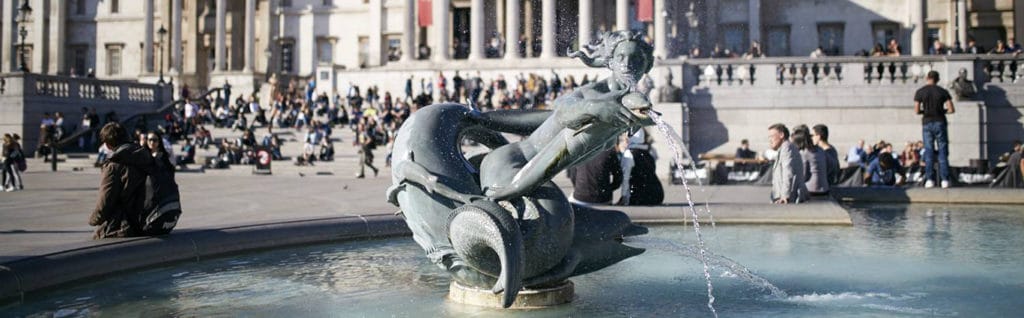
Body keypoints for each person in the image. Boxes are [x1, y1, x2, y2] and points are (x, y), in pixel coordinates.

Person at [89, 122, 153, 239]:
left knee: (95, 241)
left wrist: (94, 220)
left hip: (125, 225)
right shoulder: (146, 156)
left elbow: (104, 202)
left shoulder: (114, 166)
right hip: (150, 218)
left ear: (107, 145)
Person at [915, 71, 955, 188]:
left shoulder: (920, 91)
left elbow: (916, 110)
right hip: (940, 121)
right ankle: (944, 180)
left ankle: (929, 179)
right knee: (942, 151)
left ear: (927, 78)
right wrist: (942, 111)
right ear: (938, 79)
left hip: (927, 122)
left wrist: (925, 111)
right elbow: (951, 109)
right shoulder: (942, 91)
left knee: (929, 151)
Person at [767, 123, 808, 204]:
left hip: (785, 199)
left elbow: (788, 172)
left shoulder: (787, 148)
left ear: (781, 135)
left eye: (771, 136)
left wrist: (785, 195)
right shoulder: (785, 148)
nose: (770, 140)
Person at [795, 129, 829, 195]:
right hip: (825, 188)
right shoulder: (820, 150)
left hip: (811, 189)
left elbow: (804, 175)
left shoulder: (804, 153)